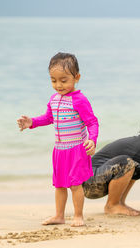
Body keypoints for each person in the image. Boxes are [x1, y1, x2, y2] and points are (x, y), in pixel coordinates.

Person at [17, 52, 99, 226]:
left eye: (63, 80)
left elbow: (92, 122)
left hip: (77, 149)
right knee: (60, 185)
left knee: (75, 185)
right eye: (53, 80)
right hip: (60, 150)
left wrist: (92, 140)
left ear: (76, 77)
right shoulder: (54, 99)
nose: (58, 85)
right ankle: (59, 216)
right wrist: (31, 122)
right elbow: (48, 118)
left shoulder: (80, 100)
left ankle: (78, 216)